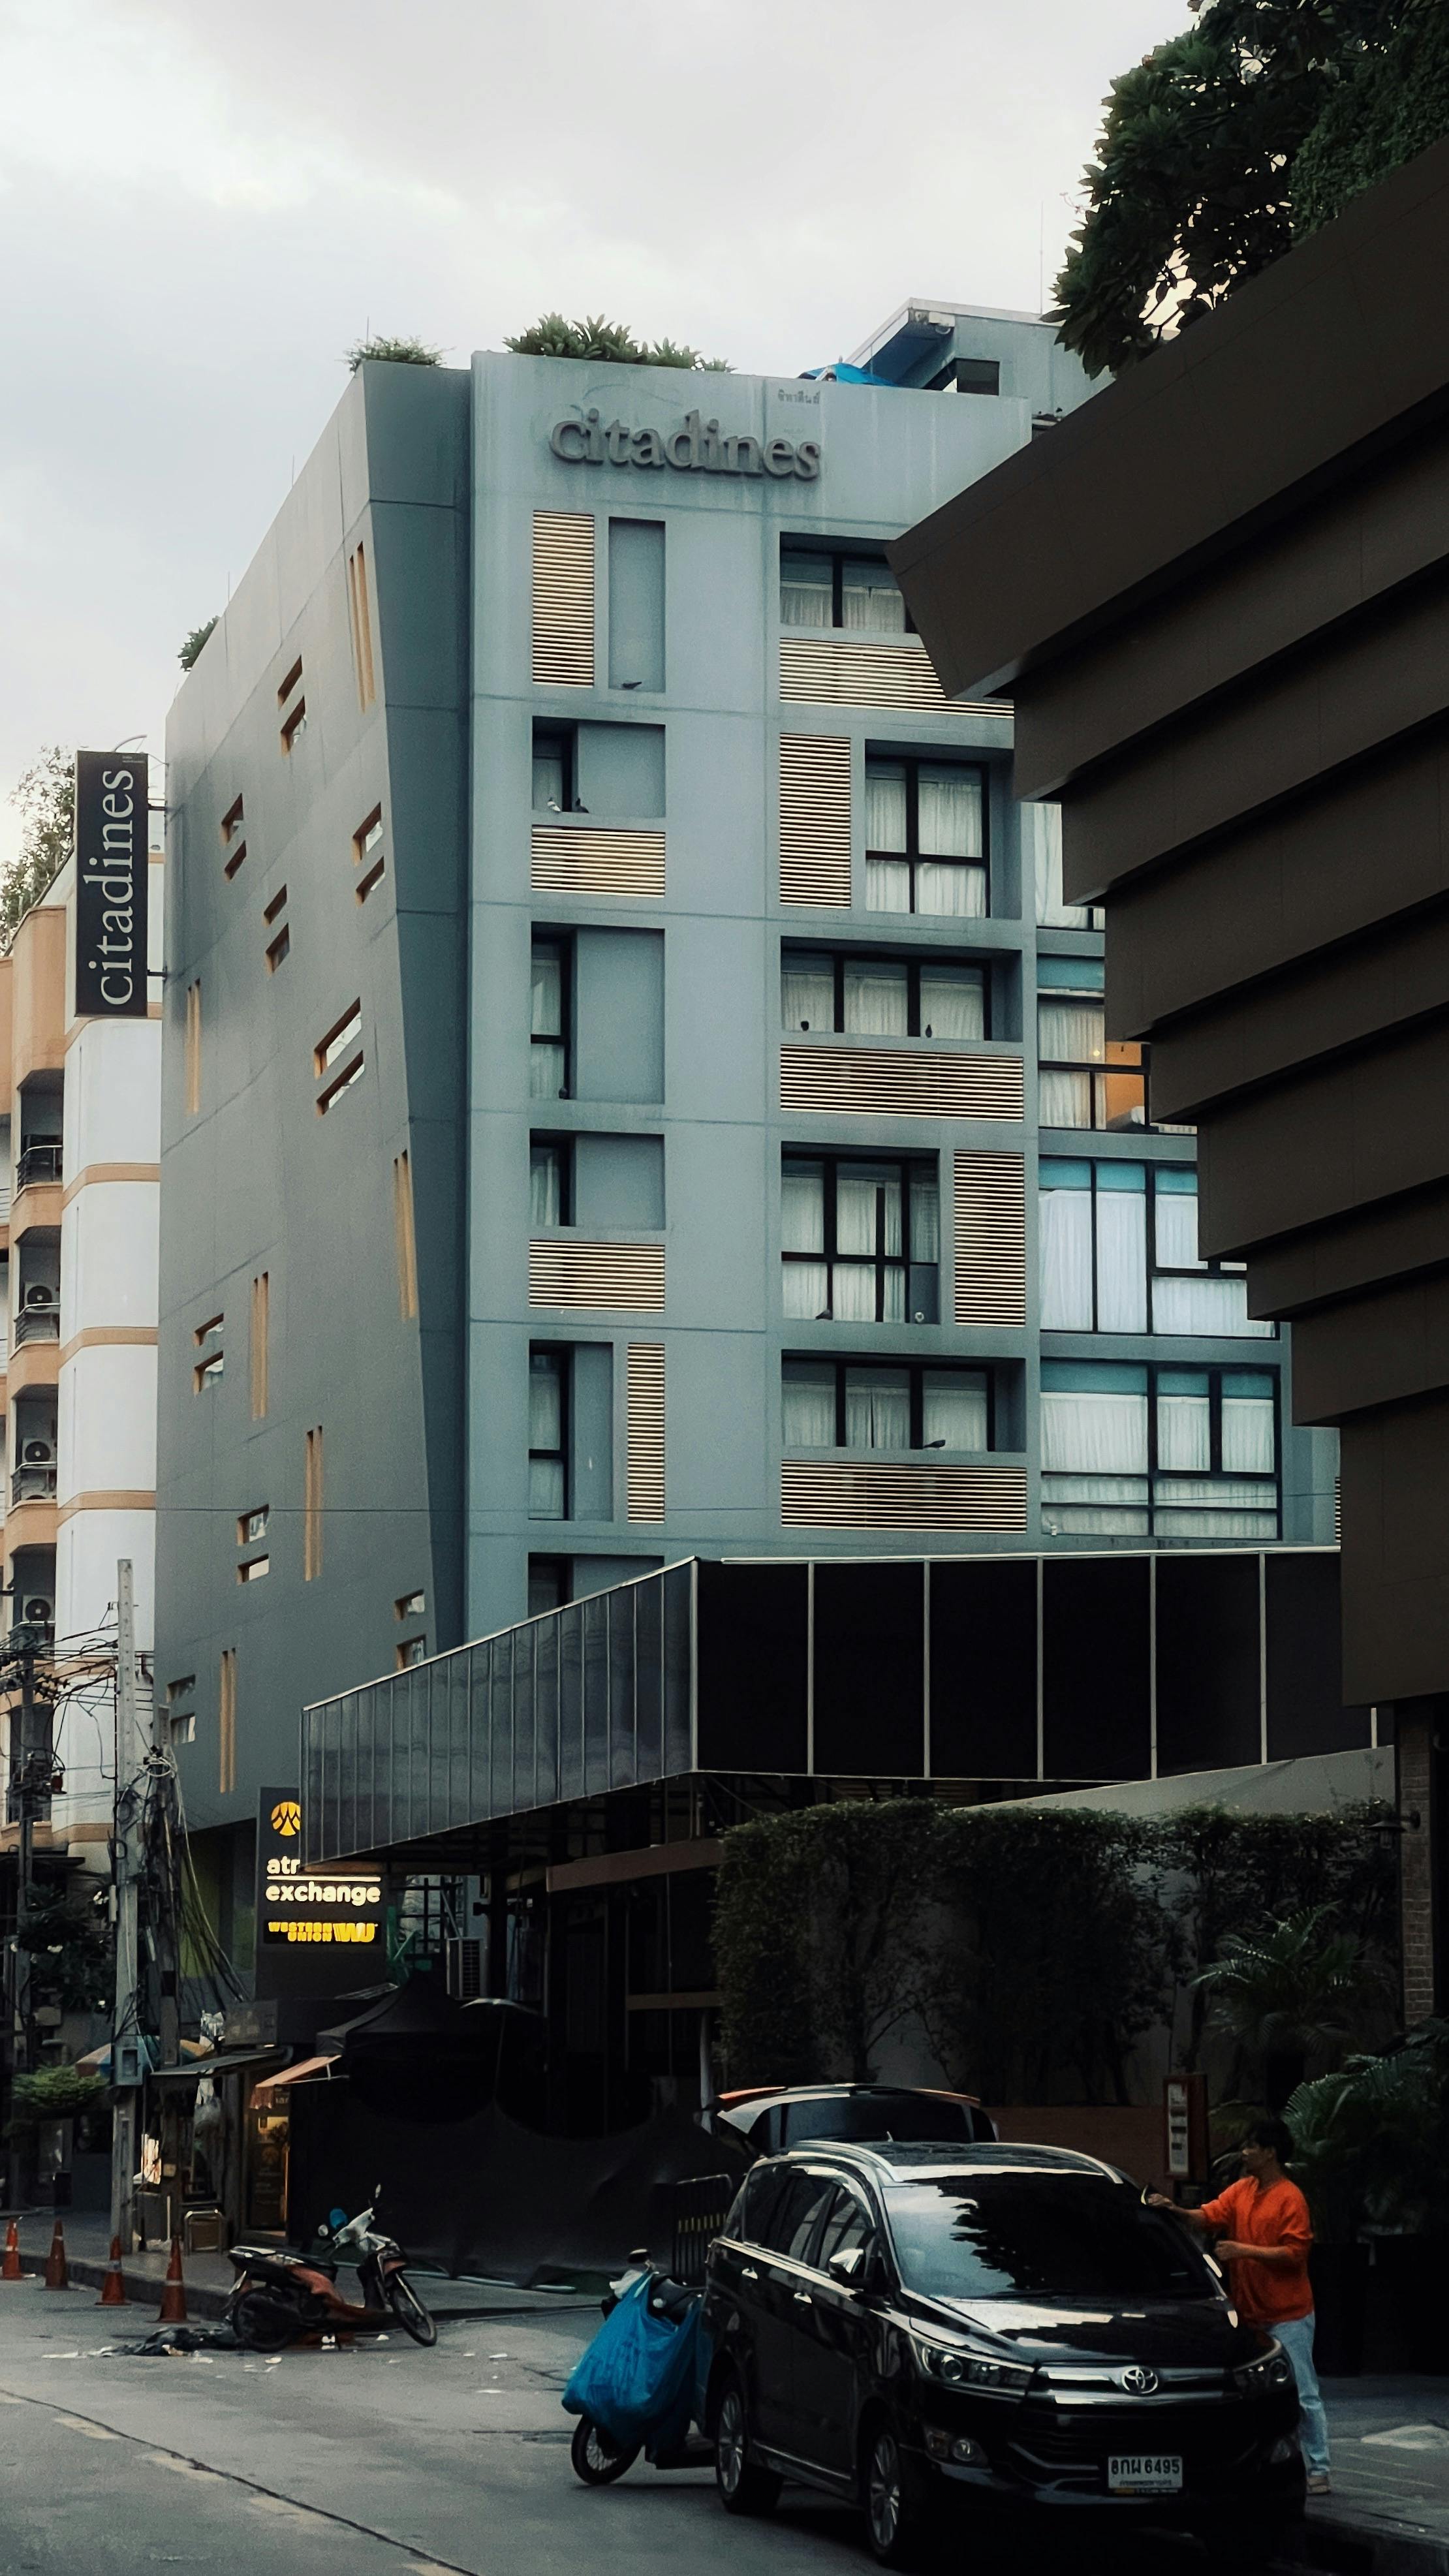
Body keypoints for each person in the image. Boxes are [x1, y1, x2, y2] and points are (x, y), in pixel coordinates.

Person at [1149, 2118, 1330, 2492]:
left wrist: (1241, 2250)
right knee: (1255, 2395)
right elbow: (1209, 2216)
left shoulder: (1291, 2198)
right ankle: (1266, 2461)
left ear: (1270, 2153)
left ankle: (1319, 2468)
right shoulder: (1242, 2190)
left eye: (1251, 2146)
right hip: (1251, 2315)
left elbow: (1295, 2254)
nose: (1244, 2152)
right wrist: (1175, 2210)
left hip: (1289, 2315)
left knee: (1303, 2393)